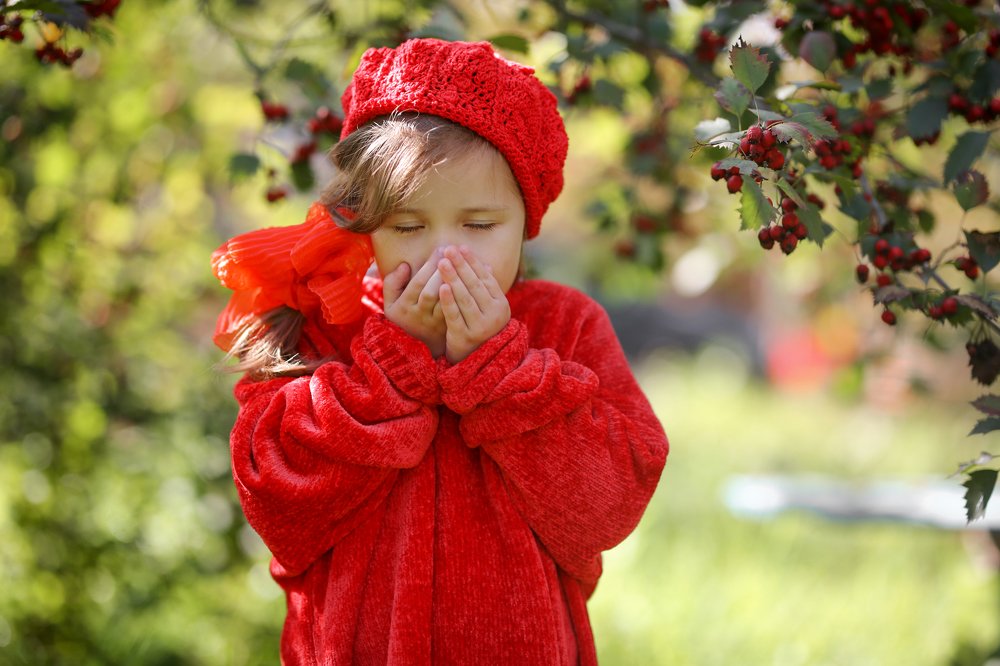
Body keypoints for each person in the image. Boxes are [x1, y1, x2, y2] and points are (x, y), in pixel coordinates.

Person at [211, 38, 668, 666]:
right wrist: (396, 363)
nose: (442, 256)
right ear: (366, 221)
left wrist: (499, 366)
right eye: (406, 226)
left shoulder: (563, 324)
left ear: (525, 220)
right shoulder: (324, 321)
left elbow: (605, 510)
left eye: (479, 226)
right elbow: (280, 506)